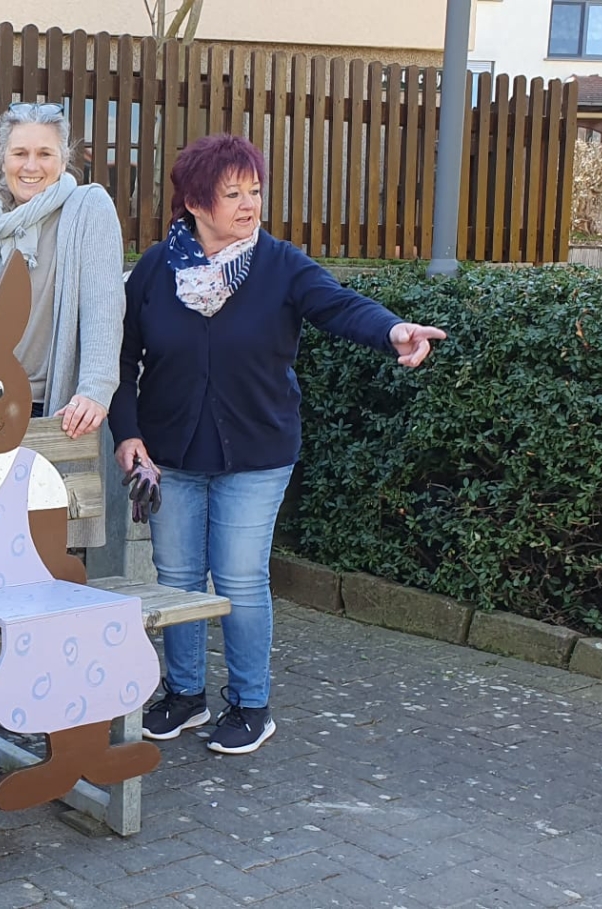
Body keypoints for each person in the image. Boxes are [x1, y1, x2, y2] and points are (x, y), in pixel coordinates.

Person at [114, 133, 446, 755]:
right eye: (231, 192)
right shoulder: (157, 269)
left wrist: (392, 330)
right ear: (193, 201)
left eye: (255, 190)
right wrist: (128, 434)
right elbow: (123, 357)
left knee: (238, 579)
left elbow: (339, 305)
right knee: (178, 578)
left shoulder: (279, 264)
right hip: (170, 452)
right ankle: (185, 695)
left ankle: (249, 706)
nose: (248, 204)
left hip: (257, 451)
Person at [0, 101, 124, 440]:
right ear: (3, 160)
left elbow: (104, 307)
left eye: (45, 154)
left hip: (56, 410)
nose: (31, 165)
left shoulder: (87, 208)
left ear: (63, 161)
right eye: (20, 153)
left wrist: (95, 391)